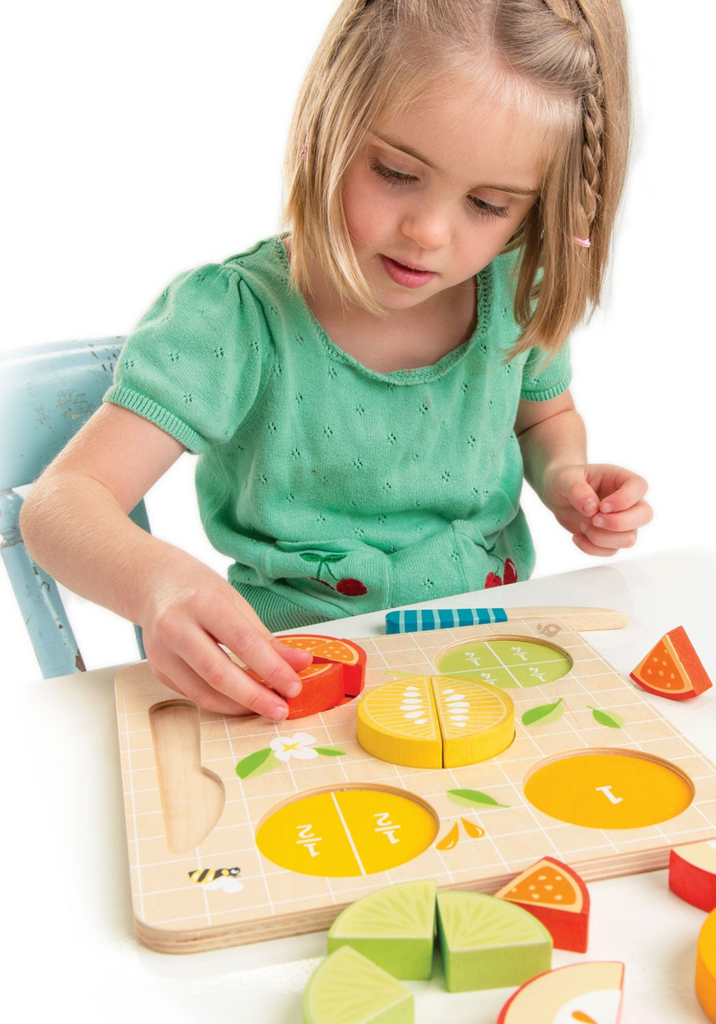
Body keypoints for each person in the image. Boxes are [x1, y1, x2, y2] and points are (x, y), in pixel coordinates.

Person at [21, 0, 652, 720]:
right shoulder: (235, 318)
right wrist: (159, 583)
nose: (429, 231)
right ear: (326, 123)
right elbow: (61, 503)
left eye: (488, 204)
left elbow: (543, 417)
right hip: (290, 680)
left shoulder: (513, 294)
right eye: (396, 171)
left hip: (483, 657)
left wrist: (565, 475)